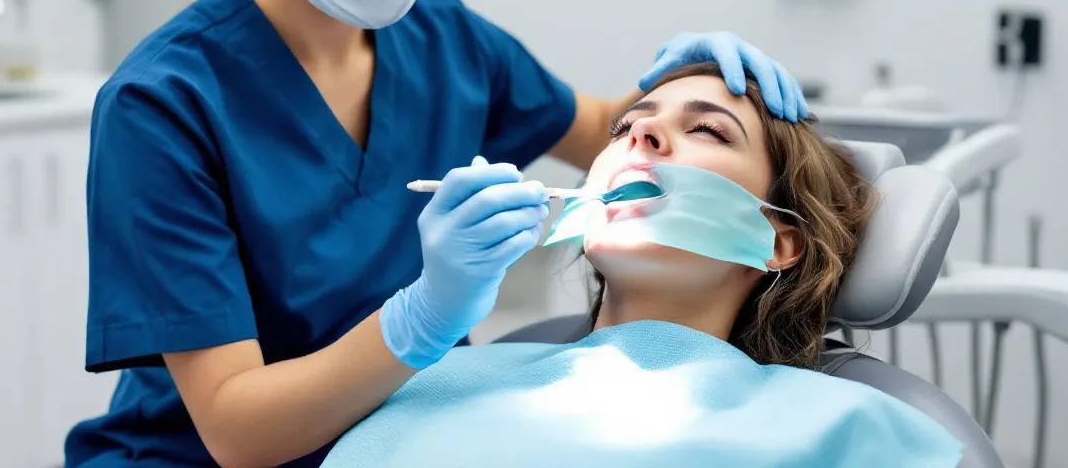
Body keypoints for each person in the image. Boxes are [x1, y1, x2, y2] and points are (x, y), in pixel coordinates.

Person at [65, 0, 810, 468]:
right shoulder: (162, 105)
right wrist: (420, 319)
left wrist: (684, 89)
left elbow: (595, 127)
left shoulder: (444, 38)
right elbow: (236, 428)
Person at [320, 63, 964, 467]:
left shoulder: (845, 430)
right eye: (628, 125)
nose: (640, 137)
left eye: (709, 131)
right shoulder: (436, 380)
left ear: (777, 241)